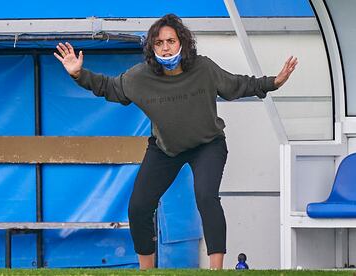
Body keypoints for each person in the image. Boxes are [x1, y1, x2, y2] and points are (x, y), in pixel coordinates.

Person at [54, 13, 297, 270]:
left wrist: (273, 82)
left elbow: (237, 85)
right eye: (159, 43)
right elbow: (108, 86)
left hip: (207, 145)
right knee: (138, 207)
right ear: (152, 48)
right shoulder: (140, 77)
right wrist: (79, 74)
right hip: (165, 149)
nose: (165, 47)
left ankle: (216, 270)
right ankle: (146, 270)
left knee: (205, 196)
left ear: (182, 42)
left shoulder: (203, 68)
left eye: (170, 41)